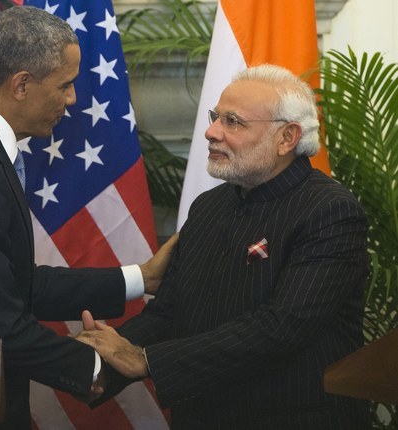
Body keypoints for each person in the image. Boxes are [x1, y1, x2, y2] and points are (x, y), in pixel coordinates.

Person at [0, 6, 177, 430]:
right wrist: (98, 367)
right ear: (22, 84)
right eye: (66, 85)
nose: (73, 99)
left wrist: (141, 278)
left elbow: (13, 282)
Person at [77, 64, 370, 429]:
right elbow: (169, 313)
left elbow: (281, 327)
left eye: (233, 122)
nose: (211, 132)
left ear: (287, 137)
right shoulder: (209, 205)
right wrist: (98, 362)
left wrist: (147, 360)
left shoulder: (329, 211)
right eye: (217, 117)